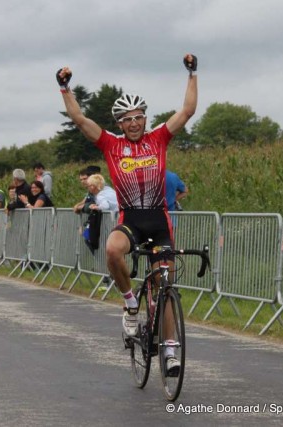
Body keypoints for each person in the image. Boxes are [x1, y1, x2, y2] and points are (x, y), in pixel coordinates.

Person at [56, 53, 198, 376]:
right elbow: (79, 119)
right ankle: (131, 303)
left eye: (138, 117)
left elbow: (187, 110)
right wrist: (65, 88)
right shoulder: (110, 145)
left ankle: (171, 351)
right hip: (131, 219)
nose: (134, 123)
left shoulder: (159, 138)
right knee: (112, 249)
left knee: (165, 285)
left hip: (159, 221)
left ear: (145, 119)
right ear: (119, 123)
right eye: (127, 119)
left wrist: (193, 73)